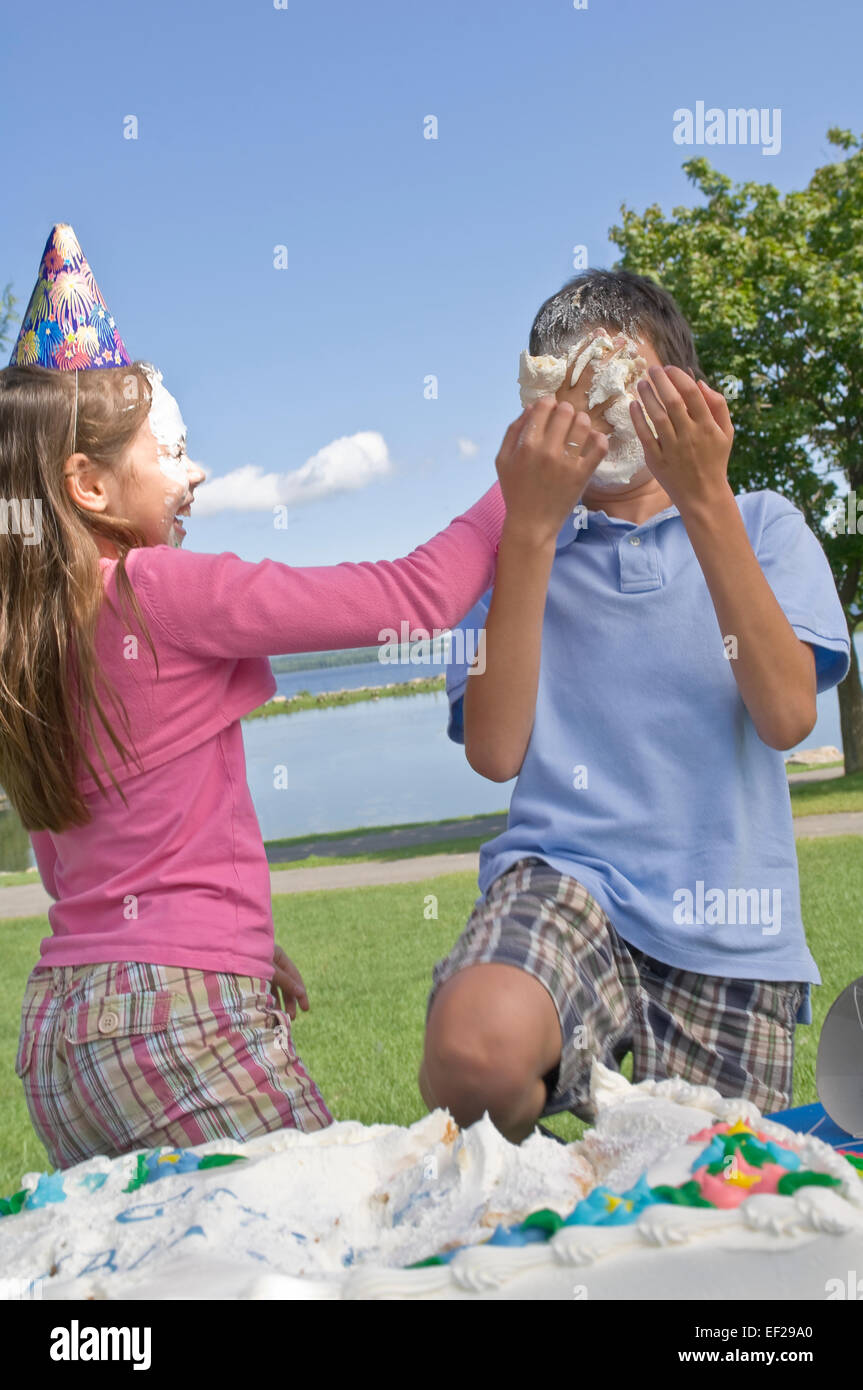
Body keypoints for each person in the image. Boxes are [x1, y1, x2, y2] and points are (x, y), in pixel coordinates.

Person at [3, 225, 609, 1168]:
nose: (194, 472)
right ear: (86, 483)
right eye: (170, 451)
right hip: (174, 1023)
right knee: (345, 1252)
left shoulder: (32, 636)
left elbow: (80, 851)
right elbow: (414, 596)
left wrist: (229, 931)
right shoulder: (157, 589)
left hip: (64, 1035)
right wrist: (517, 492)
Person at [420, 268, 851, 1143]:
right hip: (563, 881)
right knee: (478, 1052)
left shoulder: (764, 524)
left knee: (700, 1234)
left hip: (733, 934)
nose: (601, 415)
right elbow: (496, 752)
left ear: (687, 397)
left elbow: (784, 716)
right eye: (569, 392)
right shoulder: (511, 557)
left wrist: (703, 497)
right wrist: (531, 532)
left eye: (623, 385)